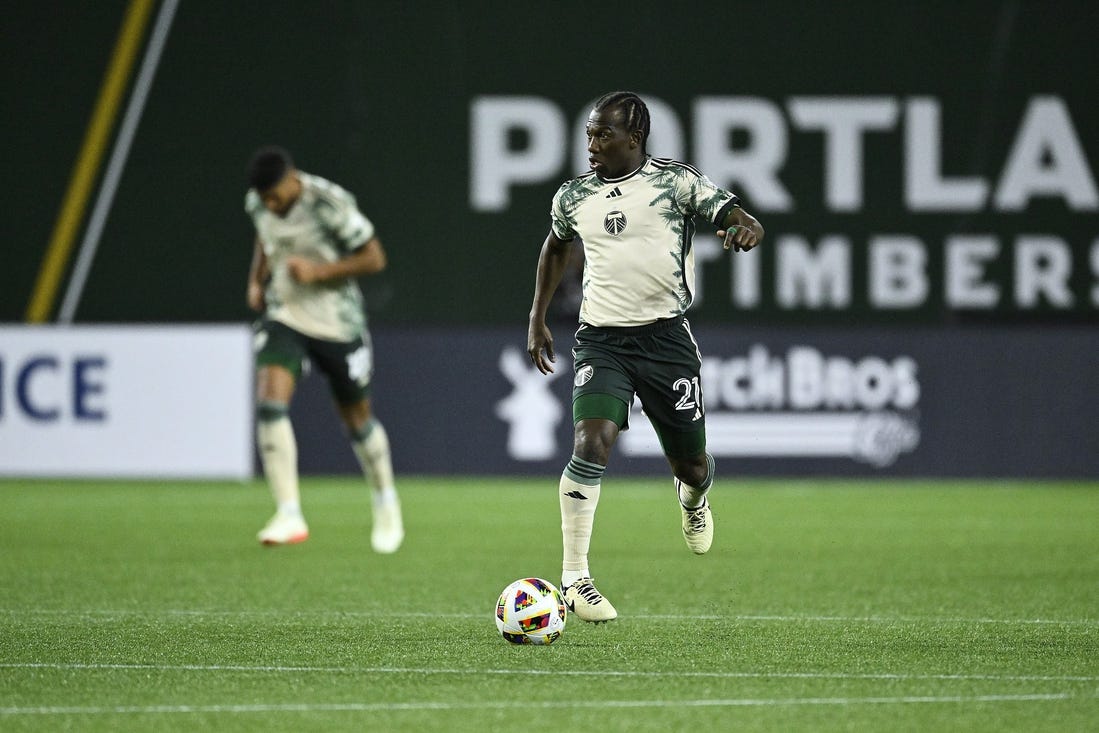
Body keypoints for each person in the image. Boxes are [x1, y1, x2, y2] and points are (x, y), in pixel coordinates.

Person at [526, 91, 764, 622]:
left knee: (693, 464)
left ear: (634, 139)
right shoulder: (573, 196)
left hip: (666, 342)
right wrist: (538, 315)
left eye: (603, 134)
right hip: (601, 340)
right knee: (592, 441)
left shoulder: (674, 183)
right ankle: (575, 578)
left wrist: (746, 228)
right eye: (588, 133)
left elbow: (738, 215)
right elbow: (556, 245)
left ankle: (693, 500)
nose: (591, 144)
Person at [244, 146, 403, 552]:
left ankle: (385, 500)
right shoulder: (259, 203)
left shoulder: (328, 204)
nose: (271, 204)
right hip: (287, 314)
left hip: (337, 322)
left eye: (276, 196)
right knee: (269, 397)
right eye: (264, 199)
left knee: (357, 419)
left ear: (292, 178)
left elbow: (374, 257)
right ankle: (288, 512)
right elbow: (265, 238)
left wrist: (319, 272)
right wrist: (257, 280)